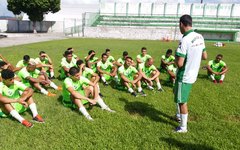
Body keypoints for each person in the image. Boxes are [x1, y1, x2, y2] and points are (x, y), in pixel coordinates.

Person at [174, 14, 207, 133]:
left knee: (182, 101)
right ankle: (178, 116)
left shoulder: (184, 39)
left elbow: (180, 64)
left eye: (179, 25)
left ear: (181, 24)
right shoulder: (200, 36)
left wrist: (175, 57)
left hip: (184, 75)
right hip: (193, 74)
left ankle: (183, 127)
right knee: (178, 96)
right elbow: (205, 56)